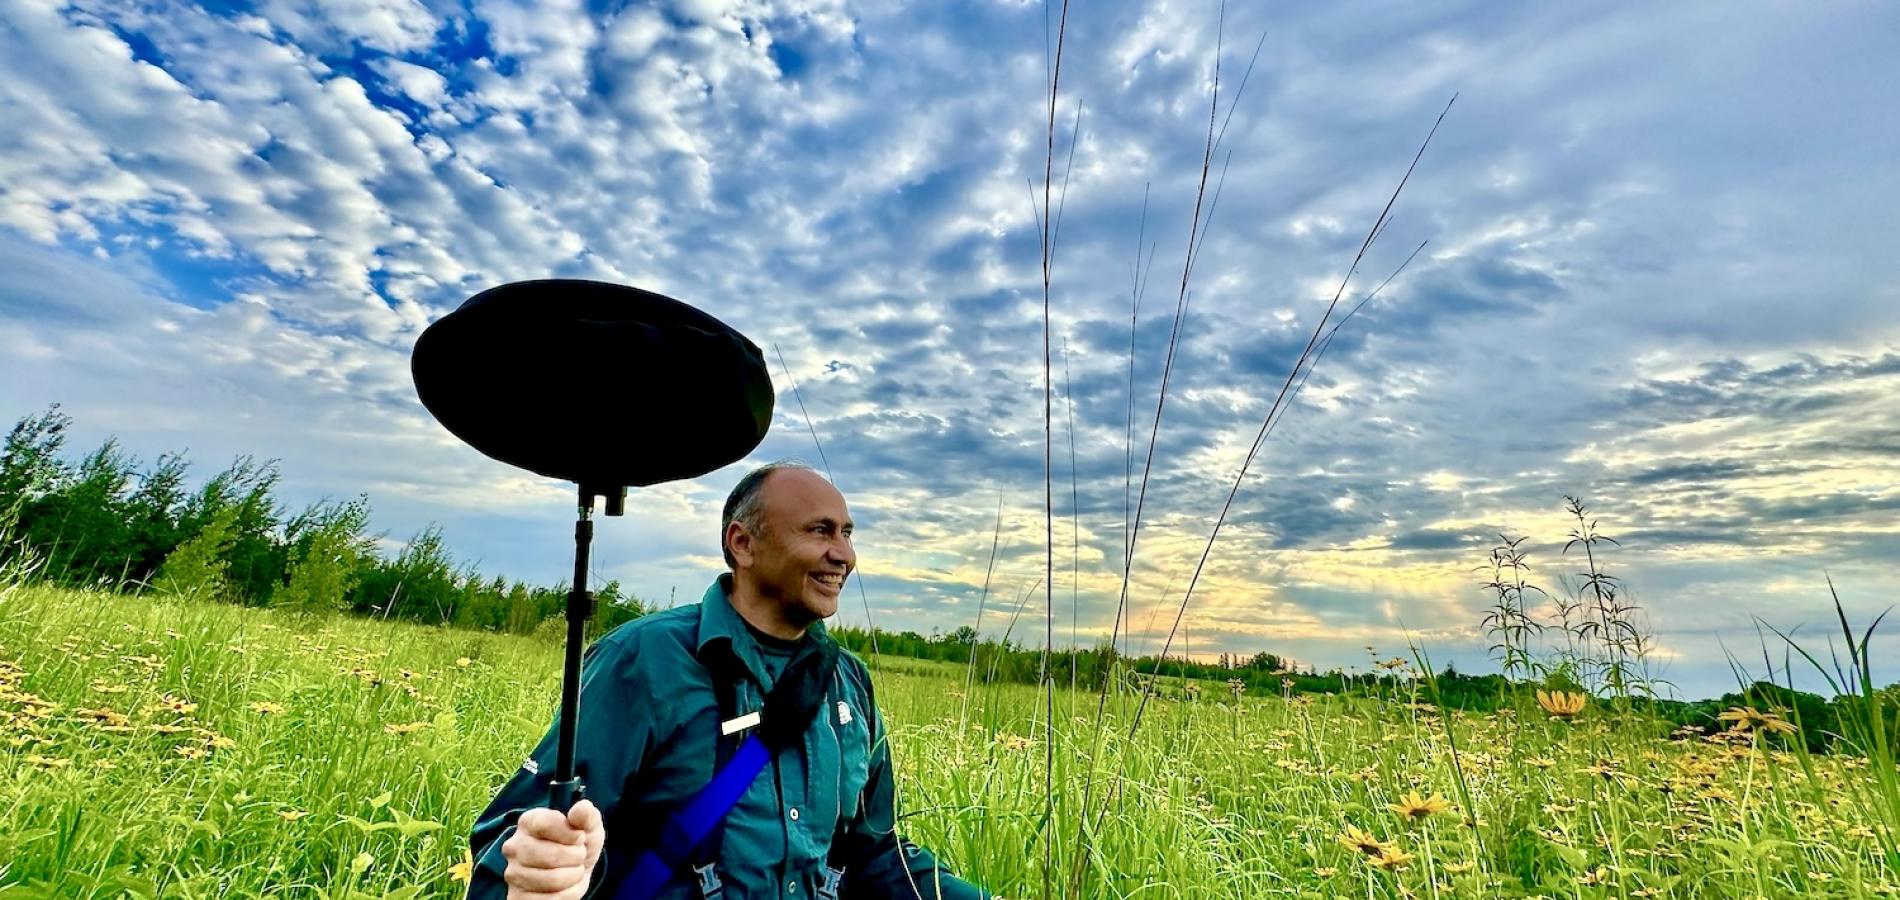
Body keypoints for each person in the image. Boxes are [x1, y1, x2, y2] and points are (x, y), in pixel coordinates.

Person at [467, 461, 991, 900]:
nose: (844, 555)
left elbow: (875, 852)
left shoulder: (848, 681)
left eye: (847, 533)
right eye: (820, 531)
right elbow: (513, 838)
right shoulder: (645, 659)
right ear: (742, 543)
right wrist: (546, 868)